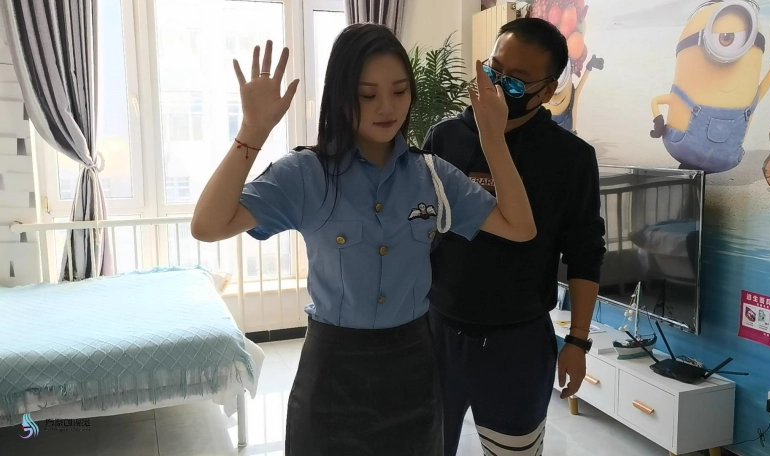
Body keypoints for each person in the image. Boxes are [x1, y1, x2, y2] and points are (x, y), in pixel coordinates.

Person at [190, 23, 537, 455]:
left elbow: (520, 227)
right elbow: (208, 225)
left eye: (399, 91)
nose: (386, 107)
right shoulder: (306, 175)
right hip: (332, 374)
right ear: (340, 96)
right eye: (367, 95)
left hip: (412, 369)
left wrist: (493, 138)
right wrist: (253, 129)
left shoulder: (431, 176)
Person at [423, 18, 607, 455]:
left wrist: (577, 341)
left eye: (516, 83)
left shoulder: (570, 158)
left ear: (547, 91)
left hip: (517, 345)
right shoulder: (445, 138)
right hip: (436, 333)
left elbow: (585, 254)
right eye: (494, 71)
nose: (498, 86)